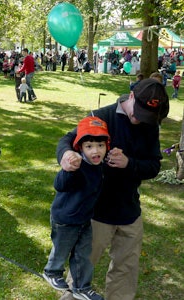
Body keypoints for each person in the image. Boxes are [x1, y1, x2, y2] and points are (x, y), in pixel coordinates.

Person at [58, 78, 169, 300]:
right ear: (130, 97)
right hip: (96, 212)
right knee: (82, 269)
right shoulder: (101, 117)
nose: (140, 119)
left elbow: (153, 166)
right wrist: (66, 156)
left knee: (125, 271)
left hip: (129, 211)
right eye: (138, 112)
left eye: (147, 116)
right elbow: (68, 140)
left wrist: (129, 163)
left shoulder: (149, 124)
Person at [43, 116, 109, 300]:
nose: (96, 150)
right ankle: (52, 272)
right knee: (62, 248)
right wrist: (68, 169)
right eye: (89, 146)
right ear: (79, 147)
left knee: (84, 254)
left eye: (100, 145)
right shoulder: (76, 165)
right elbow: (60, 185)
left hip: (85, 218)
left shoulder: (99, 165)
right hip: (65, 219)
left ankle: (81, 287)